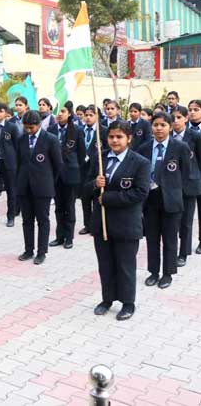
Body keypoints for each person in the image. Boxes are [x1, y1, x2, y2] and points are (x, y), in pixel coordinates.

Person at [85, 120, 150, 321]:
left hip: (126, 224)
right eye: (111, 136)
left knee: (125, 265)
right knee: (105, 264)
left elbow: (140, 193)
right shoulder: (100, 159)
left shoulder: (140, 162)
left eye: (119, 137)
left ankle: (128, 302)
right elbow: (83, 188)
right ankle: (107, 299)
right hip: (102, 223)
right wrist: (95, 184)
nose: (114, 140)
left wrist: (109, 198)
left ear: (129, 139)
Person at [137, 112, 190, 289]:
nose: (159, 128)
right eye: (156, 125)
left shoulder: (180, 147)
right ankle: (153, 271)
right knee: (152, 238)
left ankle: (168, 273)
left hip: (171, 200)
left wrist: (174, 190)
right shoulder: (144, 148)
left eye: (163, 125)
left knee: (170, 238)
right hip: (150, 200)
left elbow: (186, 173)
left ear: (170, 126)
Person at [16, 110, 63, 265]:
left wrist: (48, 181)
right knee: (27, 220)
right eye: (26, 127)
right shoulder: (21, 139)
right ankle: (28, 249)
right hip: (24, 186)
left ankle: (41, 252)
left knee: (43, 220)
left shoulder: (50, 139)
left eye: (31, 128)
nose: (28, 131)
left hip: (42, 187)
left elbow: (58, 166)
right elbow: (19, 162)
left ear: (39, 125)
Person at [48, 104, 86, 249]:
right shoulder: (51, 130)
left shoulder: (76, 130)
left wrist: (73, 167)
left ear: (70, 114)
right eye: (58, 112)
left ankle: (69, 238)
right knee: (58, 207)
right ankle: (59, 236)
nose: (60, 114)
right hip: (55, 175)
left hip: (71, 174)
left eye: (63, 111)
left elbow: (82, 154)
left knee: (69, 207)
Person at [171, 107, 201, 266]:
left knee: (186, 222)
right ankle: (172, 249)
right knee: (173, 221)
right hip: (172, 185)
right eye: (173, 117)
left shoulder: (195, 136)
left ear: (186, 119)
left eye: (179, 117)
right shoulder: (167, 136)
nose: (175, 121)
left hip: (190, 185)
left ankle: (183, 253)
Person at [79, 105, 108, 235]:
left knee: (97, 198)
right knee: (85, 199)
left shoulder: (103, 131)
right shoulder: (80, 130)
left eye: (91, 115)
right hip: (82, 169)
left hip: (97, 169)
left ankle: (98, 224)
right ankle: (87, 224)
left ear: (97, 116)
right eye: (86, 115)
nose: (88, 118)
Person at [189, 100, 201, 254]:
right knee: (187, 214)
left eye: (196, 109)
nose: (192, 112)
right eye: (190, 109)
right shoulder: (184, 131)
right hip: (188, 178)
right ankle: (184, 244)